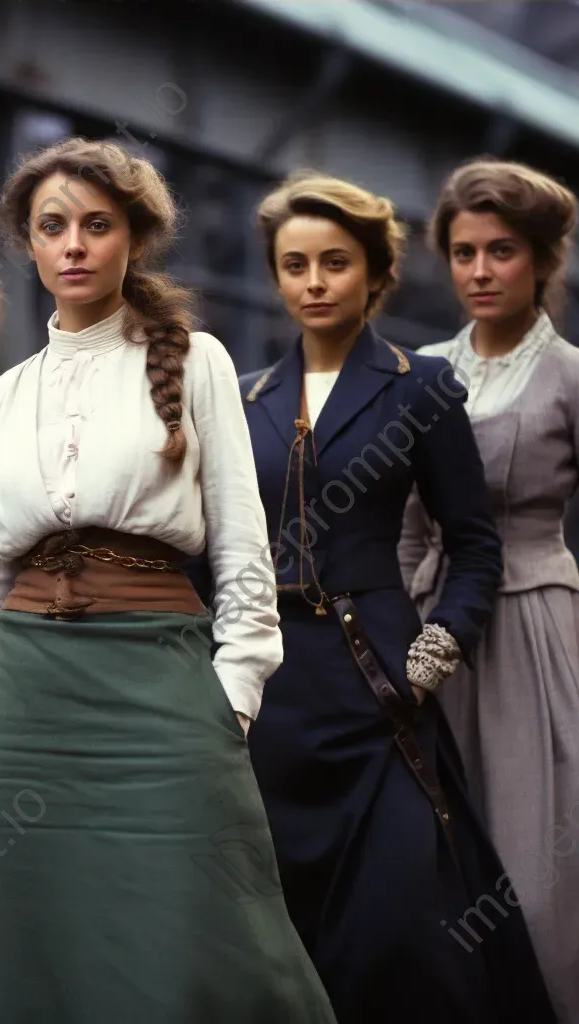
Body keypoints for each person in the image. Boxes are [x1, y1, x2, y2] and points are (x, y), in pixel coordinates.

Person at [0, 137, 336, 1024]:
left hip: (163, 689)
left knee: (210, 938)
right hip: (26, 710)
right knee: (34, 951)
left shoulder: (199, 363)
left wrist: (230, 698)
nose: (74, 244)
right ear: (29, 247)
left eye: (96, 225)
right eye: (52, 227)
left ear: (134, 239)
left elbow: (243, 554)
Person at [239, 172, 558, 1024]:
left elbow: (474, 547)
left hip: (379, 680)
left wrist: (429, 659)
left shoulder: (422, 388)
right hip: (271, 696)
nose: (313, 282)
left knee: (404, 923)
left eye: (334, 263)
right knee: (286, 918)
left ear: (375, 272)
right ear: (274, 276)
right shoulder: (244, 400)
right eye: (294, 265)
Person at [399, 159, 579, 1023]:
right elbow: (399, 523)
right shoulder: (421, 370)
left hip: (533, 624)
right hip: (427, 625)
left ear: (542, 261)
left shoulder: (571, 376)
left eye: (501, 251)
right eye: (463, 252)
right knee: (428, 853)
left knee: (534, 847)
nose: (478, 270)